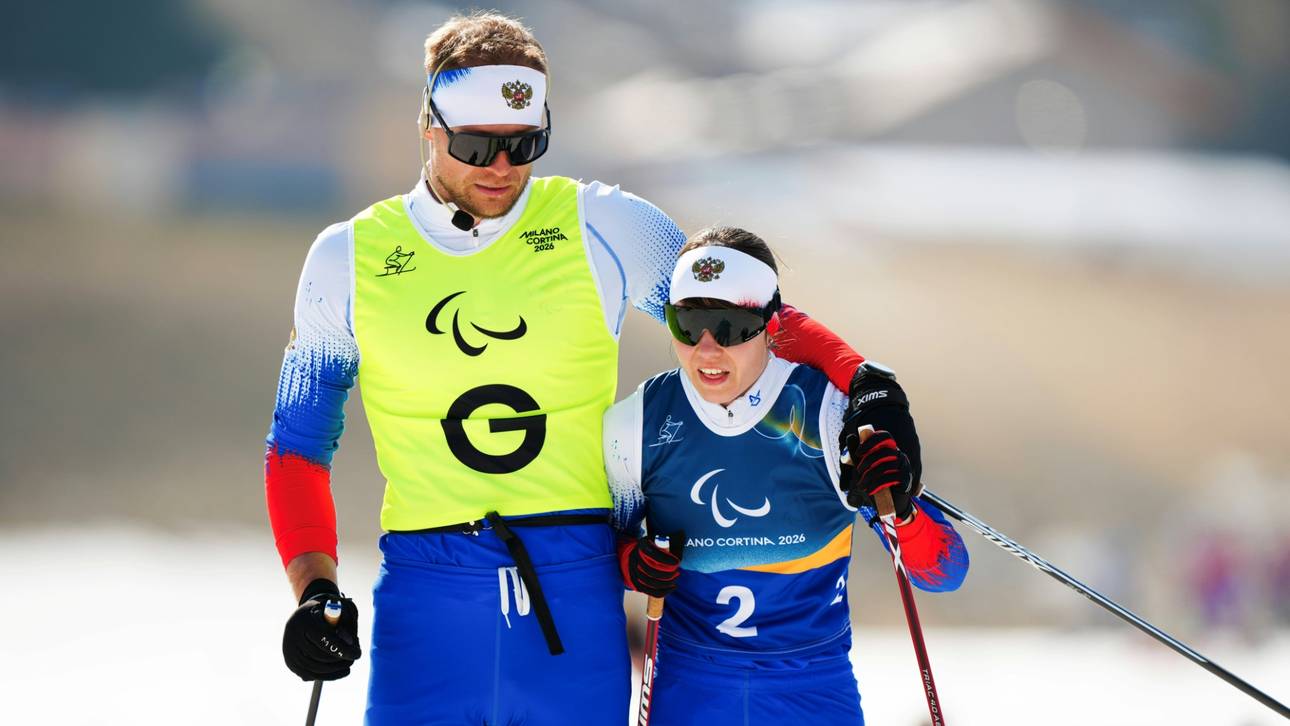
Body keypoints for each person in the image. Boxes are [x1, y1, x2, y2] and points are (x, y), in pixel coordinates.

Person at [265, 12, 910, 725]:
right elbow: (296, 447)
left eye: (524, 143)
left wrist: (868, 386)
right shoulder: (345, 258)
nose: (502, 167)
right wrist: (314, 590)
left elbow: (738, 314)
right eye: (479, 144)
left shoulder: (603, 226)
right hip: (428, 601)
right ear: (429, 125)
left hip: (573, 587)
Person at [605, 226, 969, 725]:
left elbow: (943, 572)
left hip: (812, 690)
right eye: (687, 324)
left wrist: (900, 510)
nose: (707, 351)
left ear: (771, 324)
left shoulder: (826, 414)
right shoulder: (637, 423)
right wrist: (629, 560)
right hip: (691, 690)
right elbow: (593, 553)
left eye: (729, 327)